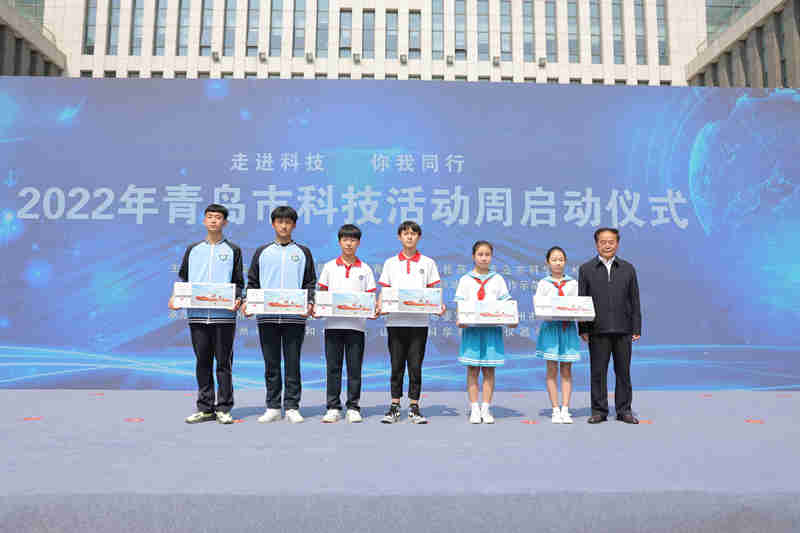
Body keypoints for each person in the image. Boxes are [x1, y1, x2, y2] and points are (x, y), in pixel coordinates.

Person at [169, 204, 244, 425]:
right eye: (209, 217)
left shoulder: (233, 250)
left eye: (218, 217)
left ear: (225, 222)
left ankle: (224, 408)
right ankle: (205, 408)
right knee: (202, 361)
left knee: (223, 363)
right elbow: (184, 280)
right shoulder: (193, 249)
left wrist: (238, 299)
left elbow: (238, 282)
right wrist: (176, 297)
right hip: (197, 315)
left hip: (224, 317)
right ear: (204, 221)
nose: (213, 220)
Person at [245, 206, 316, 424]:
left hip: (295, 317)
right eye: (280, 222)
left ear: (294, 225)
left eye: (288, 222)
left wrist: (309, 302)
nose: (284, 226)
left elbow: (309, 282)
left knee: (293, 363)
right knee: (271, 364)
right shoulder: (262, 251)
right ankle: (273, 406)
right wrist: (249, 302)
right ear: (273, 224)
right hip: (267, 317)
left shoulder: (302, 252)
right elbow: (252, 282)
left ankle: (292, 406)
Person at [378, 220, 445, 424]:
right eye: (405, 233)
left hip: (419, 324)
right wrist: (379, 305)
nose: (409, 236)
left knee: (415, 366)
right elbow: (384, 291)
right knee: (396, 365)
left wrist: (439, 306)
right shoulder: (390, 263)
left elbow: (433, 292)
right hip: (395, 323)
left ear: (419, 237)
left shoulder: (428, 263)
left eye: (413, 233)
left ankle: (414, 406)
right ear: (399, 237)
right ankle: (394, 406)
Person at [578, 228, 642, 424]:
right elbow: (582, 300)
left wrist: (636, 327)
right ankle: (599, 411)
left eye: (611, 242)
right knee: (598, 372)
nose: (607, 245)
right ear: (596, 244)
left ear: (617, 244)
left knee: (623, 372)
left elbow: (634, 300)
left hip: (623, 329)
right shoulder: (586, 269)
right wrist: (583, 328)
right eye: (603, 242)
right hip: (597, 330)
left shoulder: (628, 268)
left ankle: (624, 410)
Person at [316, 224, 377, 423]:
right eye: (345, 240)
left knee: (354, 369)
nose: (349, 243)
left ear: (358, 243)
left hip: (356, 327)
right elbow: (322, 294)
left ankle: (353, 407)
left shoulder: (365, 269)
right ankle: (333, 407)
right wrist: (319, 308)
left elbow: (370, 298)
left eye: (352, 240)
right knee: (333, 368)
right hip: (332, 326)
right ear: (339, 242)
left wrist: (372, 310)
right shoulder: (329, 267)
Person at [455, 241, 515, 424]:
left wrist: (511, 318)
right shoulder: (465, 280)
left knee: (489, 370)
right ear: (473, 256)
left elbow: (506, 304)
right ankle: (474, 408)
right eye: (480, 254)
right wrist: (460, 319)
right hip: (472, 331)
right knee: (472, 369)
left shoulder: (498, 279)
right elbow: (460, 305)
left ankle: (486, 408)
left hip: (491, 331)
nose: (483, 258)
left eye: (487, 254)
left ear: (492, 257)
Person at [534, 246, 581, 424]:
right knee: (552, 370)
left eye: (561, 259)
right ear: (548, 262)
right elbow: (539, 306)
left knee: (567, 370)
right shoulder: (543, 284)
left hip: (567, 329)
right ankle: (555, 409)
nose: (558, 263)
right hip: (550, 330)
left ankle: (566, 409)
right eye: (554, 259)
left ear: (565, 262)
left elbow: (578, 305)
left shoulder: (573, 283)